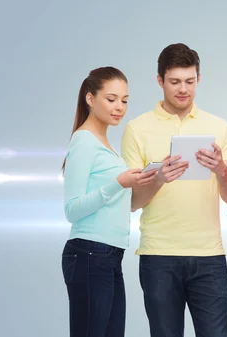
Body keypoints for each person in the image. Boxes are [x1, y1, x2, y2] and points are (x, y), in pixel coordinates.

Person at [120, 43, 227, 337]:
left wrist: (221, 170)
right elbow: (131, 203)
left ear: (198, 79)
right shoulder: (137, 129)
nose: (183, 89)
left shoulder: (218, 126)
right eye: (174, 82)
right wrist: (158, 178)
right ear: (160, 80)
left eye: (190, 81)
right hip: (158, 255)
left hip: (209, 256)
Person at [61, 66, 157, 337]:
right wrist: (119, 183)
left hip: (109, 255)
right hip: (89, 253)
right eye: (111, 99)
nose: (119, 107)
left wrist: (149, 180)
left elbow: (121, 203)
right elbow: (72, 209)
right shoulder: (84, 140)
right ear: (90, 99)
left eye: (125, 101)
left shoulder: (106, 145)